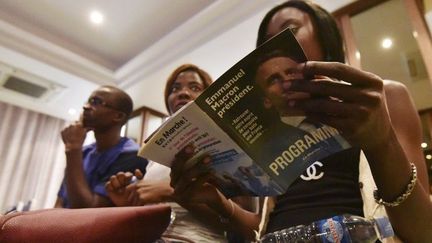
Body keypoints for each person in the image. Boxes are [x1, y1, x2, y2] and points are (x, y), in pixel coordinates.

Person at [168, 1, 432, 242]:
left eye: (290, 30)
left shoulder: (383, 97)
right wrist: (218, 204)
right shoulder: (267, 134)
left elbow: (424, 231)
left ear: (324, 36)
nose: (278, 47)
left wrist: (381, 143)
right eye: (268, 42)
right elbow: (265, 229)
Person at [105, 64, 250, 242]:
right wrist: (128, 200)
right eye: (175, 88)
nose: (183, 92)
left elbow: (239, 223)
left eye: (194, 87)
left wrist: (171, 192)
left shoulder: (227, 144)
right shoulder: (154, 155)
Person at [55, 85, 148, 208]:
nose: (85, 107)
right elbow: (60, 202)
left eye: (96, 102)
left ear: (118, 116)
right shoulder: (84, 152)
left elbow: (89, 211)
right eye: (88, 101)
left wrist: (72, 149)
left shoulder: (132, 155)